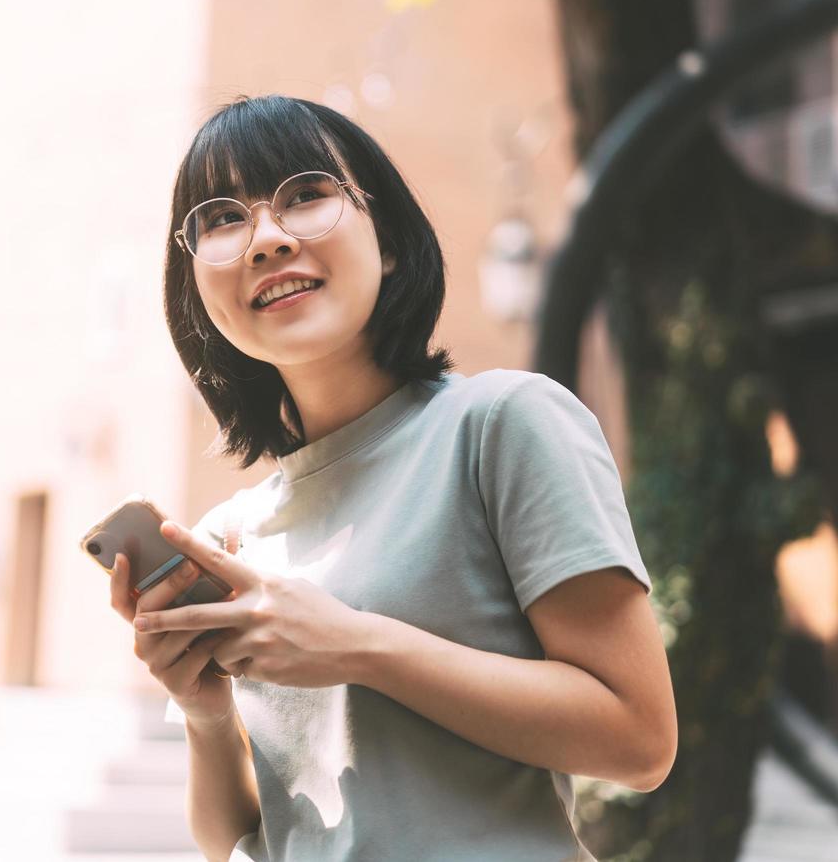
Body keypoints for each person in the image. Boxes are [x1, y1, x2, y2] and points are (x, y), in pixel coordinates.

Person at [107, 94, 676, 862]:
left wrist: (357, 646)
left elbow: (639, 739)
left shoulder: (503, 424)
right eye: (223, 219)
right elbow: (233, 840)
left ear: (392, 242)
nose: (267, 240)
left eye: (306, 195)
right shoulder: (230, 538)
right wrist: (205, 714)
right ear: (200, 295)